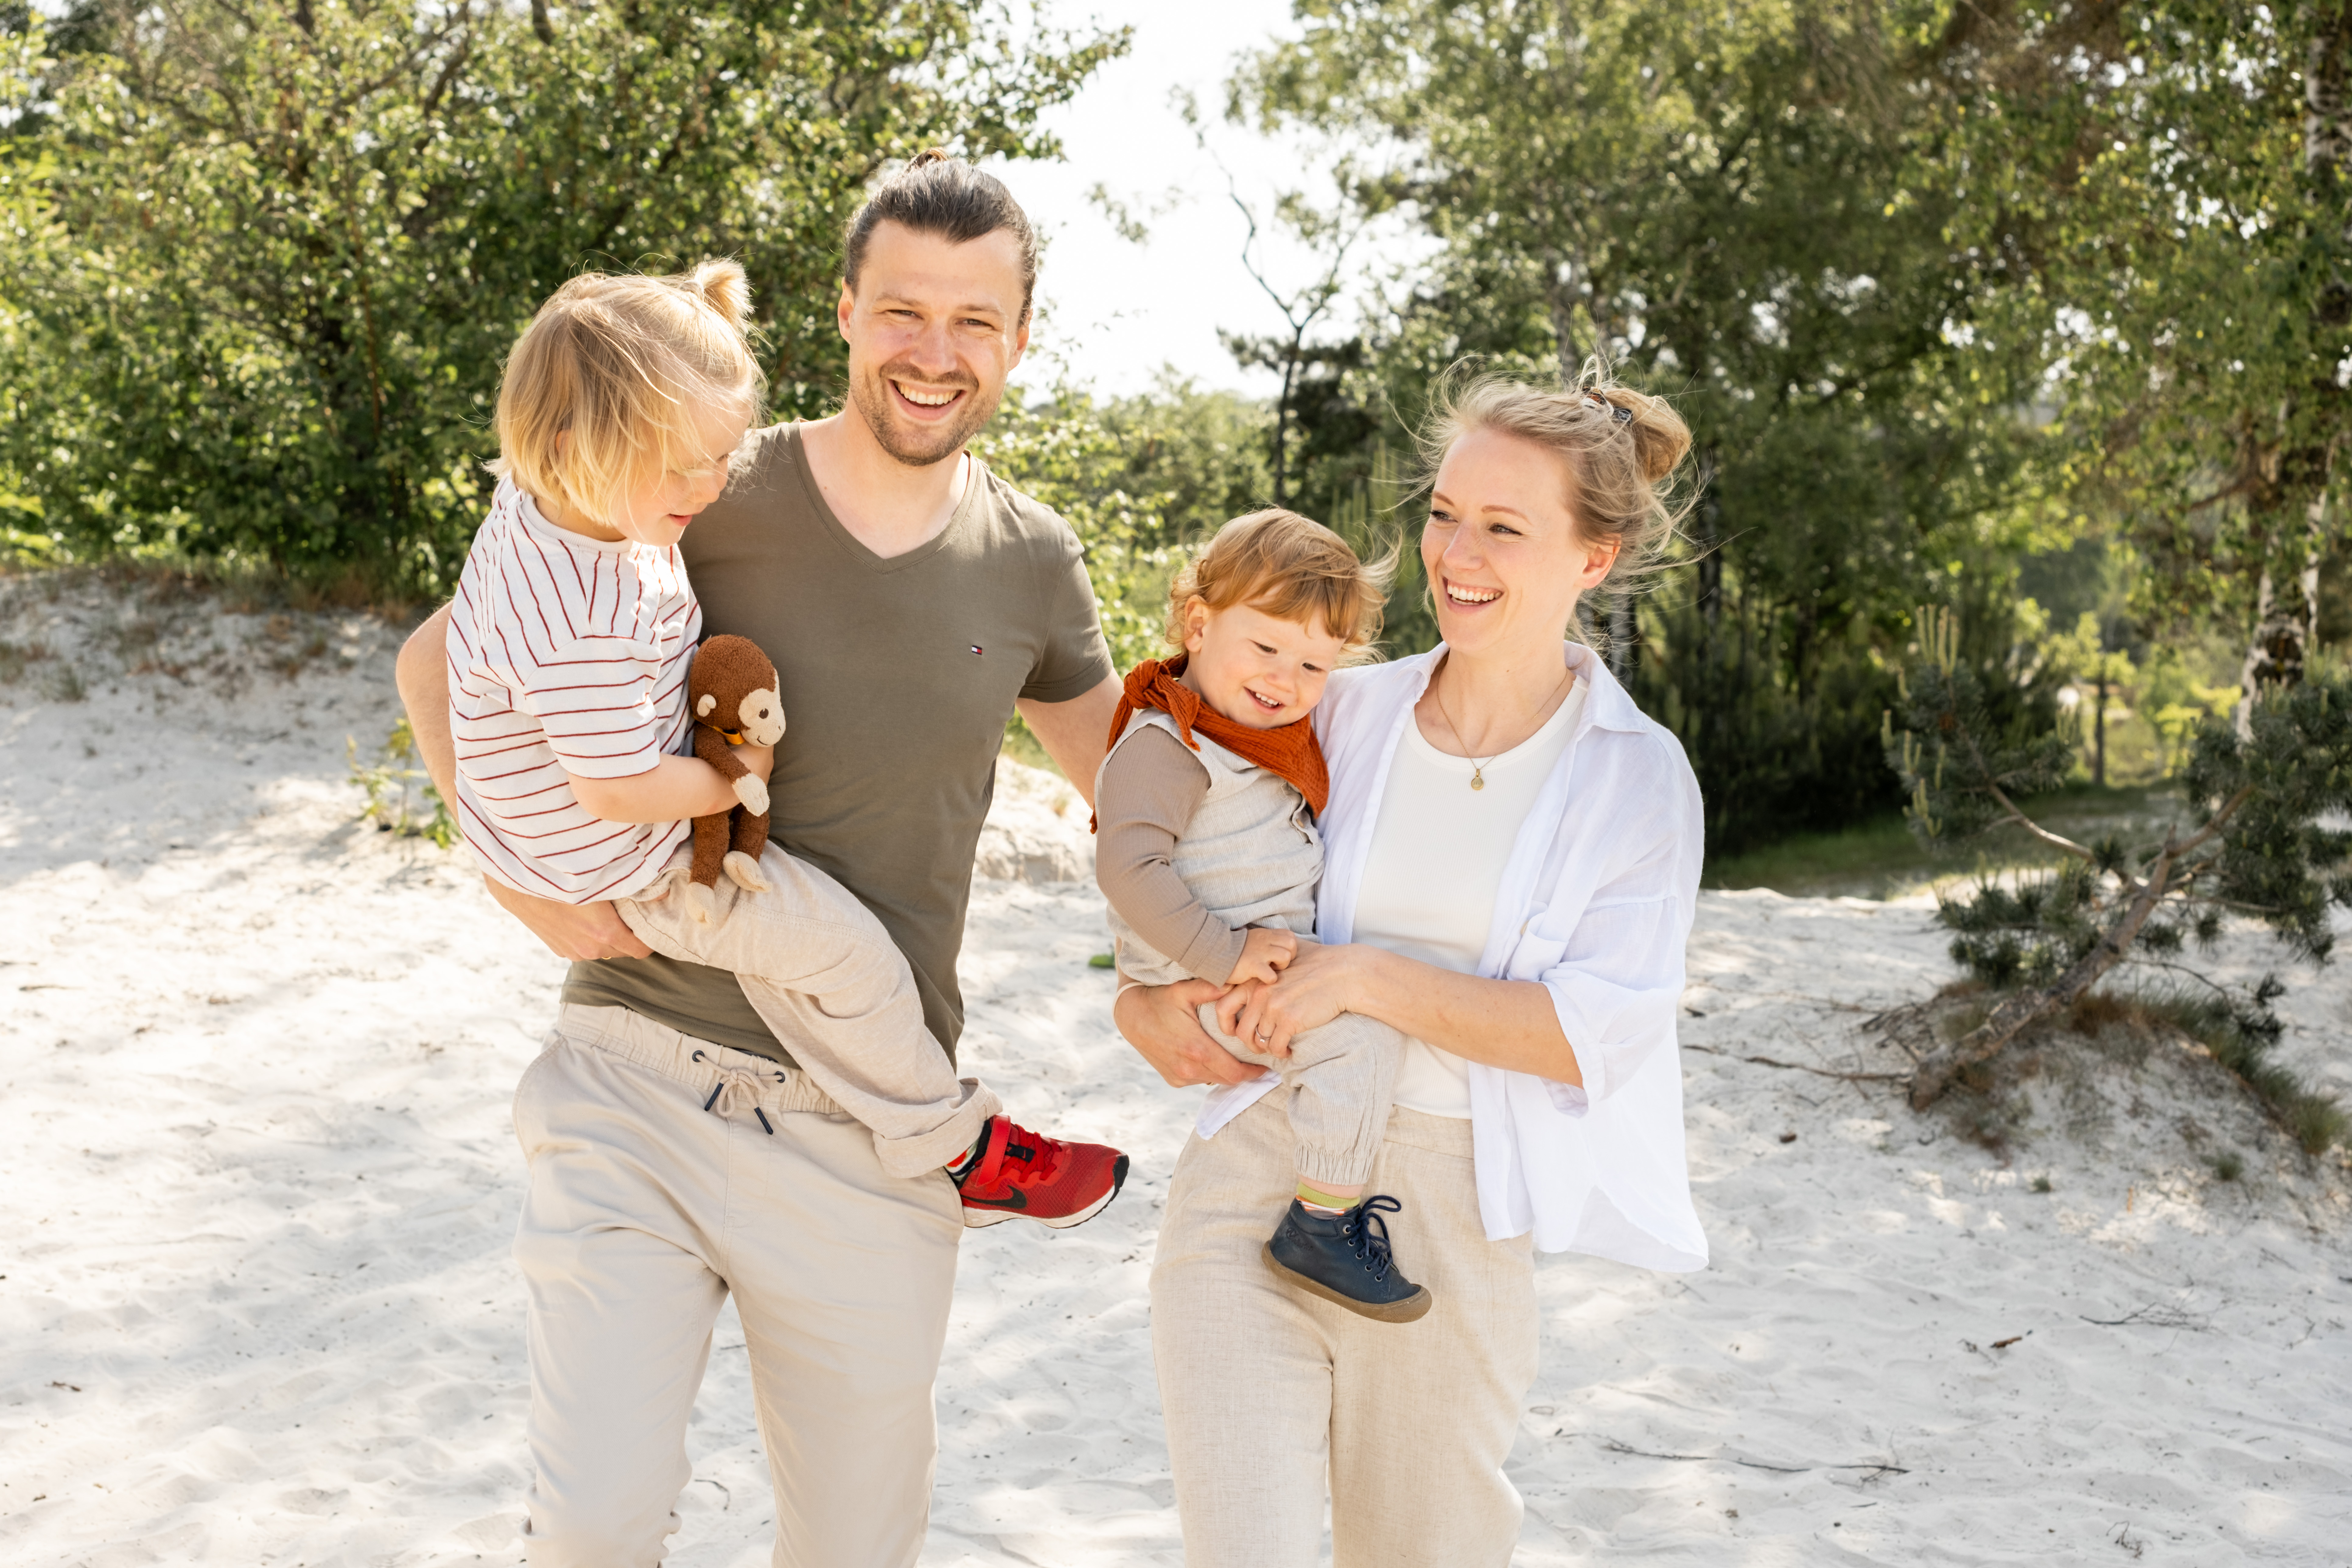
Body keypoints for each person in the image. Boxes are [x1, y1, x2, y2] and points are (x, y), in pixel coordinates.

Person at [396, 152, 1125, 1566]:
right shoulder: (700, 480)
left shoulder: (1033, 558)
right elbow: (443, 659)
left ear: (1020, 341)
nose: (935, 351)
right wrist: (520, 882)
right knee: (596, 1528)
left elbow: (1136, 802)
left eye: (976, 320)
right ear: (846, 312)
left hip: (866, 1135)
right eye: (903, 310)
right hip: (633, 1079)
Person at [1118, 369, 1712, 1566]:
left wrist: (1368, 980)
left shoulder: (1635, 778)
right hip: (1259, 1165)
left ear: (1592, 560)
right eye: (1445, 514)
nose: (1458, 552)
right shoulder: (1336, 708)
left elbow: (1590, 1035)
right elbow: (1177, 838)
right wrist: (1139, 1000)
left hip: (1448, 1221)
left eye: (1504, 526)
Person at [443, 257, 1125, 1227]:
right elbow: (618, 787)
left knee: (805, 978)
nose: (713, 486)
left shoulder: (561, 512)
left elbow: (1117, 776)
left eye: (719, 459)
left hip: (611, 847)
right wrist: (735, 777)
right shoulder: (584, 609)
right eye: (684, 465)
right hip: (642, 866)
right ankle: (960, 1148)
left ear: (1022, 339)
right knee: (849, 963)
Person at [1093, 508, 1432, 1320]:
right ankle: (1323, 1222)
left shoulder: (1248, 735)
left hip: (1240, 964)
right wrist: (1225, 953)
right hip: (1206, 980)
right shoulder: (1168, 742)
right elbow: (1126, 869)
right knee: (1361, 1036)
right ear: (1199, 624)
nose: (1286, 679)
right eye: (1268, 647)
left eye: (1315, 665)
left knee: (1360, 1029)